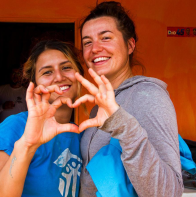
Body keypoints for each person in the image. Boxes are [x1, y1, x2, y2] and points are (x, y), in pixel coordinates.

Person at [73, 1, 183, 196]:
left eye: (105, 38)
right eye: (87, 42)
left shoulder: (148, 96)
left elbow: (168, 192)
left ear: (130, 45)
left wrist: (122, 123)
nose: (95, 48)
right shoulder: (99, 106)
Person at [0, 40, 84, 197]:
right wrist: (27, 145)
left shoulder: (81, 136)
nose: (59, 77)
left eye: (66, 67)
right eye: (47, 72)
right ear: (33, 85)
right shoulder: (15, 128)